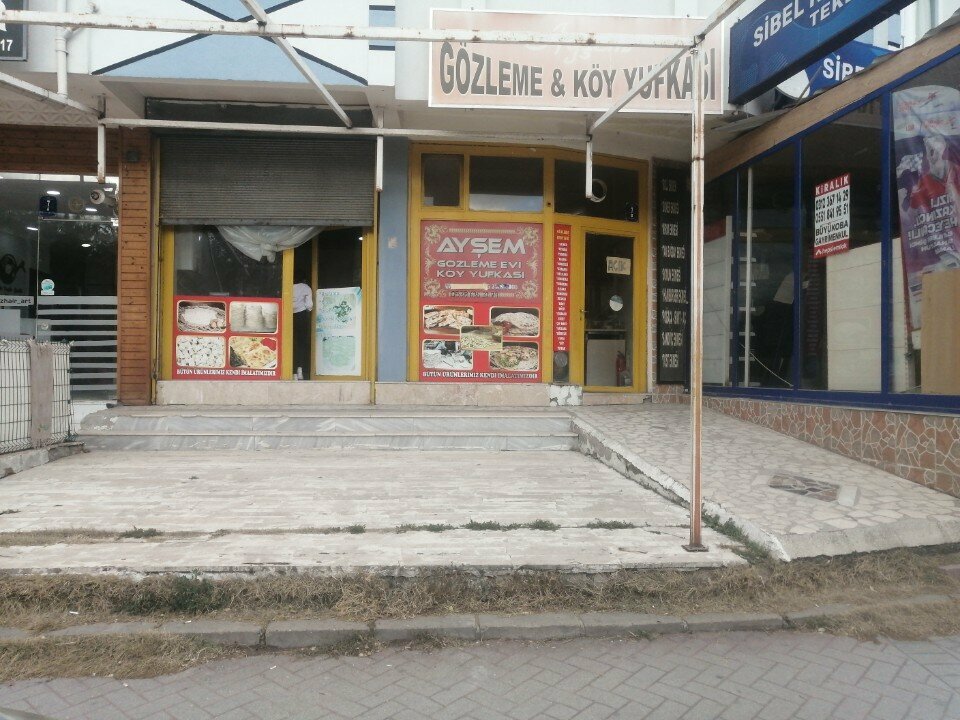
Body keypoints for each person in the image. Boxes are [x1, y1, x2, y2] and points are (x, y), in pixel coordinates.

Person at [292, 276, 313, 379]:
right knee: (300, 343)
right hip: (301, 316)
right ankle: (299, 370)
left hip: (287, 315)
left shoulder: (287, 285)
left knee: (289, 343)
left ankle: (292, 372)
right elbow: (309, 305)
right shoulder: (306, 287)